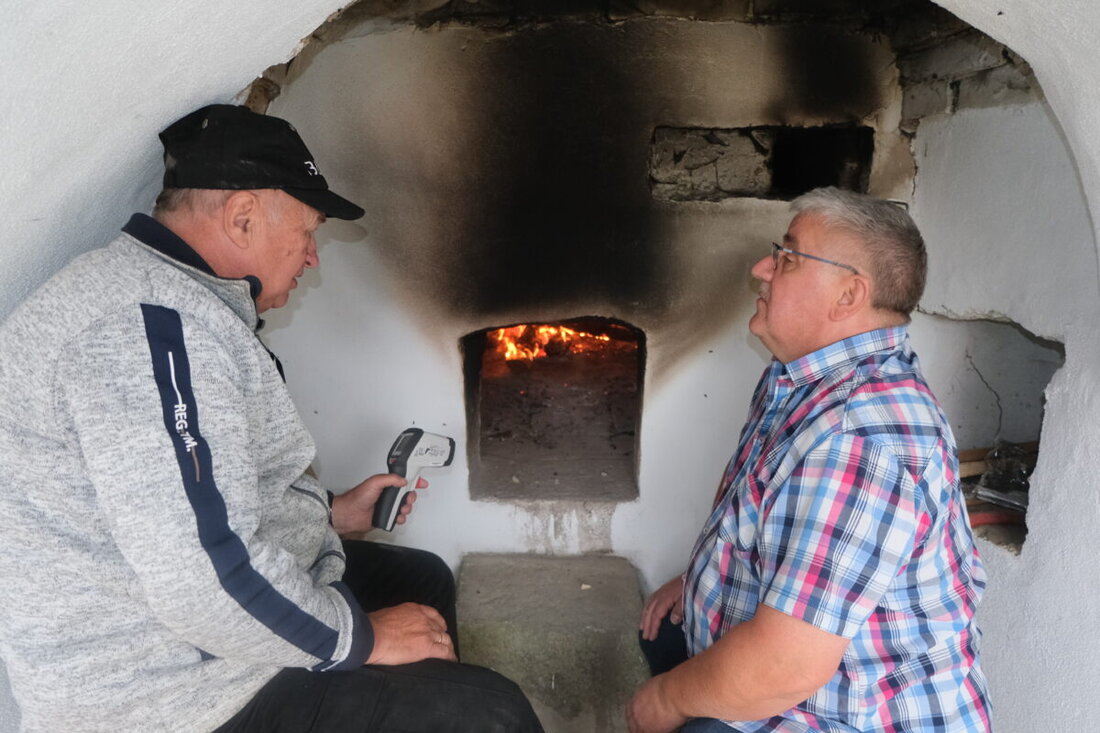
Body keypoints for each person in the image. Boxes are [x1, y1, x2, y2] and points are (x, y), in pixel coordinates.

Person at [0, 104, 542, 732]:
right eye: (308, 232)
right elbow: (197, 578)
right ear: (243, 217)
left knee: (415, 579)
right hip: (166, 689)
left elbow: (187, 500)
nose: (312, 257)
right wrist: (362, 642)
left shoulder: (173, 300)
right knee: (488, 713)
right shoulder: (147, 331)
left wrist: (331, 513)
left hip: (195, 626)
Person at [628, 188, 992, 732]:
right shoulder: (800, 377)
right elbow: (768, 513)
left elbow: (783, 667)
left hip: (845, 716)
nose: (761, 268)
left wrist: (657, 704)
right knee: (661, 635)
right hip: (799, 671)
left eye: (787, 257)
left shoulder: (862, 435)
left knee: (681, 711)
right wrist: (705, 575)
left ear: (848, 295)